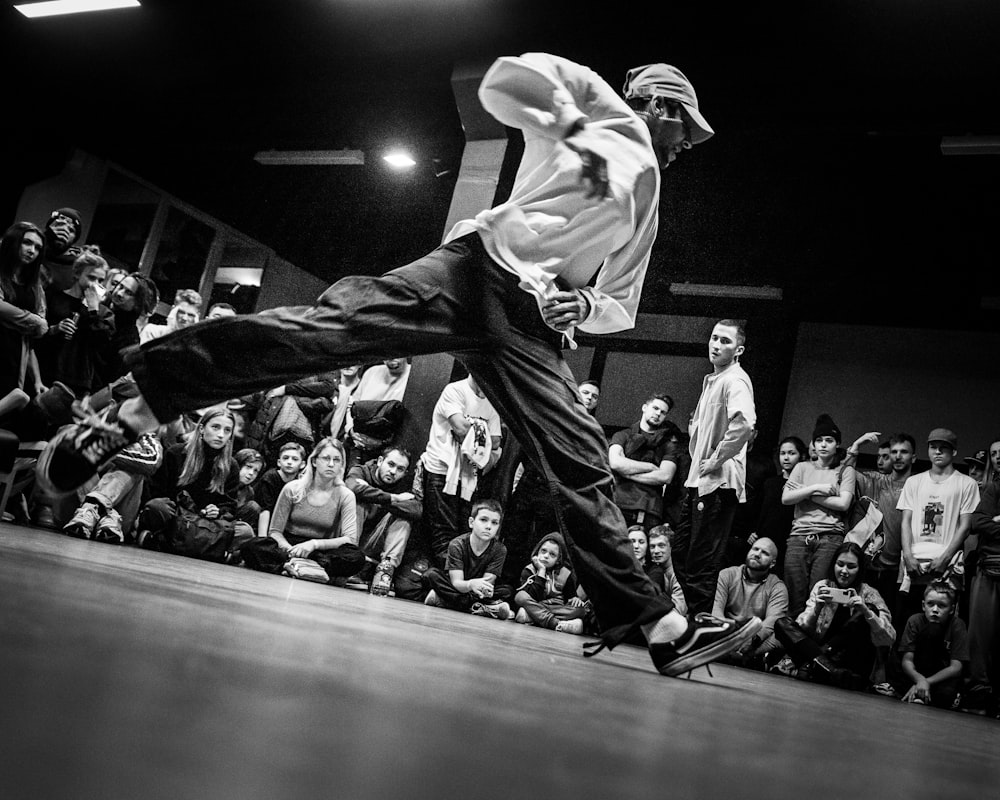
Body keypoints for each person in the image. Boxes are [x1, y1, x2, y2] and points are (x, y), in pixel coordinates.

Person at [38, 54, 761, 677]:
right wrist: (574, 123)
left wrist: (585, 307)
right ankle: (129, 411)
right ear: (660, 108)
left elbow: (620, 302)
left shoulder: (650, 197)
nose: (685, 146)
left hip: (532, 323)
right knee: (329, 331)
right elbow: (503, 81)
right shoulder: (594, 104)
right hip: (472, 270)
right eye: (685, 130)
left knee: (577, 456)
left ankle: (659, 628)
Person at [672, 319, 757, 616]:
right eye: (714, 338)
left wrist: (718, 457)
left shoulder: (735, 380)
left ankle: (703, 626)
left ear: (738, 350)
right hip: (699, 482)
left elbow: (745, 422)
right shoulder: (714, 380)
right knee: (681, 554)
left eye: (725, 341)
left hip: (718, 483)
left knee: (699, 563)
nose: (716, 344)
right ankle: (702, 619)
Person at [772, 542, 895, 690]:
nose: (844, 571)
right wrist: (817, 609)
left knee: (869, 610)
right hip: (822, 656)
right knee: (782, 623)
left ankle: (815, 666)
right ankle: (828, 669)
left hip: (850, 659)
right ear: (833, 565)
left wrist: (866, 612)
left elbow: (889, 638)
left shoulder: (869, 593)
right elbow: (802, 631)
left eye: (851, 566)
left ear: (860, 569)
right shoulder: (823, 586)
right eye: (840, 564)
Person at [239, 437, 365, 582]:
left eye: (337, 460)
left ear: (341, 465)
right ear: (314, 461)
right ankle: (296, 566)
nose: (331, 464)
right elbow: (275, 532)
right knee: (252, 546)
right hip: (289, 545)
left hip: (320, 550)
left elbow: (350, 539)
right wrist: (290, 550)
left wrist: (313, 545)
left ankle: (304, 567)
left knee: (356, 557)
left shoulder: (345, 495)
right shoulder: (293, 488)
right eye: (326, 458)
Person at [897, 428, 980, 625]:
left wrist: (945, 557)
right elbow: (905, 521)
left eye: (943, 448)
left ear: (954, 452)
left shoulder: (966, 483)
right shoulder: (914, 482)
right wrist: (907, 555)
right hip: (914, 560)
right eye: (933, 447)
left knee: (946, 621)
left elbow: (965, 526)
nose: (938, 452)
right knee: (909, 618)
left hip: (947, 562)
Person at [420, 373, 502, 565]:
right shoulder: (455, 390)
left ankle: (454, 581)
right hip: (441, 470)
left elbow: (497, 441)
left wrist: (472, 427)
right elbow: (460, 428)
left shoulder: (491, 400)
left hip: (470, 475)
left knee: (463, 531)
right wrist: (482, 429)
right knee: (442, 530)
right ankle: (449, 581)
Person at [781, 414, 857, 617]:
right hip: (799, 536)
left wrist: (806, 494)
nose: (823, 445)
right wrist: (816, 487)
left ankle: (813, 644)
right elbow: (786, 498)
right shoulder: (802, 467)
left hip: (830, 537)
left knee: (819, 596)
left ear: (837, 444)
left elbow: (843, 504)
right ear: (813, 444)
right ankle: (792, 642)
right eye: (819, 440)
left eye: (829, 440)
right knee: (793, 596)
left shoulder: (845, 471)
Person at [843, 431, 917, 627]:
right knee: (862, 620)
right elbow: (845, 473)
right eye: (894, 452)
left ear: (914, 457)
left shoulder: (919, 485)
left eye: (904, 452)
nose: (898, 456)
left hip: (902, 569)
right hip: (871, 564)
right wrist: (856, 446)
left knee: (894, 622)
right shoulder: (876, 481)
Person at [35, 245, 115, 399]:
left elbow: (103, 342)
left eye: (100, 280)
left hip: (78, 381)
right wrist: (55, 329)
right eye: (91, 277)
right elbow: (36, 335)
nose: (95, 284)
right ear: (77, 274)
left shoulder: (104, 312)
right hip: (47, 370)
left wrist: (93, 309)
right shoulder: (53, 298)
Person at [345, 445, 423, 595]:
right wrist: (394, 498)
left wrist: (377, 498)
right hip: (350, 537)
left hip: (377, 541)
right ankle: (350, 560)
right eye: (391, 464)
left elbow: (416, 510)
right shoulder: (361, 471)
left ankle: (385, 572)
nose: (393, 472)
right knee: (357, 502)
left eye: (400, 469)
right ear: (380, 461)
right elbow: (352, 487)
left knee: (404, 519)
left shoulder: (404, 485)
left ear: (405, 472)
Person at [423, 498, 513, 619]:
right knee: (431, 575)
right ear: (471, 522)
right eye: (483, 520)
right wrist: (471, 584)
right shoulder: (457, 544)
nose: (488, 526)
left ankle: (444, 600)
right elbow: (456, 582)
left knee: (507, 590)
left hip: (476, 592)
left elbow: (487, 583)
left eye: (494, 523)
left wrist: (485, 590)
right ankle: (482, 607)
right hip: (460, 586)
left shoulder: (499, 549)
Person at [608, 393, 681, 532]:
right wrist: (650, 467)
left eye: (663, 412)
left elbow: (665, 476)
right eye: (655, 408)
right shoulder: (623, 435)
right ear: (644, 407)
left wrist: (627, 473)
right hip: (617, 504)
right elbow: (616, 463)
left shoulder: (668, 445)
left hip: (649, 510)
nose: (658, 413)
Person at [712, 537, 788, 669]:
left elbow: (772, 622)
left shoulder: (777, 587)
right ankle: (742, 658)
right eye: (755, 549)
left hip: (755, 637)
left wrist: (752, 639)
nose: (757, 554)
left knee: (781, 636)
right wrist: (727, 635)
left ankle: (741, 656)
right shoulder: (727, 574)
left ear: (772, 563)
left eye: (765, 553)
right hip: (729, 631)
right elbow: (717, 610)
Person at [891, 581, 969, 709]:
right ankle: (918, 691)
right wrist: (920, 679)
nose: (935, 610)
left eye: (942, 606)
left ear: (952, 609)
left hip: (940, 676)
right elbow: (907, 661)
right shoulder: (915, 621)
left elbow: (956, 667)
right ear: (923, 605)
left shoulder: (957, 625)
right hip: (916, 673)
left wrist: (926, 682)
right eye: (930, 604)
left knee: (946, 695)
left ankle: (921, 692)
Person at [0, 222, 48, 429]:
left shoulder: (33, 286)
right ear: (14, 241)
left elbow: (29, 342)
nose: (32, 250)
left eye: (37, 247)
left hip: (13, 358)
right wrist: (34, 322)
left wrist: (36, 380)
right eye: (27, 243)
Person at [963, 477, 1000, 716]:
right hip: (990, 569)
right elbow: (978, 521)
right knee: (980, 637)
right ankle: (980, 692)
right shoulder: (996, 488)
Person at [746, 435, 808, 578]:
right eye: (783, 453)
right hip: (763, 538)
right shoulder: (770, 483)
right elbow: (756, 510)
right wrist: (752, 531)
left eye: (792, 453)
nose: (786, 458)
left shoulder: (804, 487)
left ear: (801, 456)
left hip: (788, 541)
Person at [513, 531, 591, 634]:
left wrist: (575, 599)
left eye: (552, 554)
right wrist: (541, 571)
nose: (546, 556)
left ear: (558, 559)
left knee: (580, 610)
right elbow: (532, 597)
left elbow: (570, 597)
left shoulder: (565, 573)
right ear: (537, 552)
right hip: (536, 603)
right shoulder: (529, 570)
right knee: (520, 596)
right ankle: (556, 624)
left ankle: (531, 618)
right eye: (543, 551)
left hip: (552, 608)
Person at [253, 440, 307, 516]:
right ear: (279, 462)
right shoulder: (270, 477)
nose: (289, 462)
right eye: (285, 458)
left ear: (302, 464)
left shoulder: (299, 481)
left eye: (295, 459)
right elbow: (264, 510)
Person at [40, 208, 84, 292]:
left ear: (75, 239)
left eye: (71, 230)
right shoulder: (33, 251)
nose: (64, 231)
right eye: (59, 225)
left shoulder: (76, 269)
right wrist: (46, 236)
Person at [646, 524, 686, 614]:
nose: (656, 551)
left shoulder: (678, 574)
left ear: (671, 547)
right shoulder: (656, 570)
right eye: (652, 546)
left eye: (661, 545)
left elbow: (678, 611)